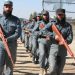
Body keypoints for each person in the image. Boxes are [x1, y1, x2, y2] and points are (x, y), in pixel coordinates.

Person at [45, 8, 73, 75]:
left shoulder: (68, 26)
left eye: (62, 15)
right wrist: (53, 36)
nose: (60, 16)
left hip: (63, 50)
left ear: (64, 15)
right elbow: (44, 30)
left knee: (59, 71)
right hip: (53, 49)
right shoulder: (52, 24)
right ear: (56, 15)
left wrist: (66, 41)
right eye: (59, 15)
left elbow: (70, 37)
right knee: (52, 69)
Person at [0, 0, 21, 75]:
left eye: (9, 7)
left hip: (11, 45)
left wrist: (8, 39)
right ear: (3, 7)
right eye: (6, 7)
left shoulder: (16, 20)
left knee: (9, 67)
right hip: (1, 45)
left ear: (12, 8)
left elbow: (18, 33)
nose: (8, 8)